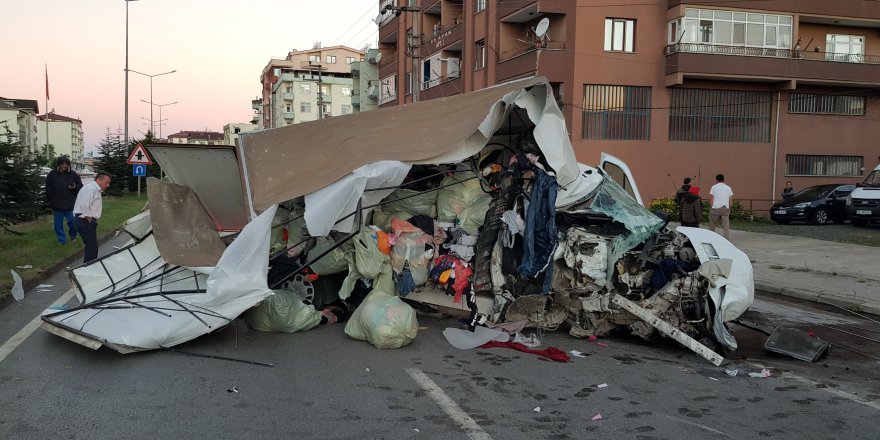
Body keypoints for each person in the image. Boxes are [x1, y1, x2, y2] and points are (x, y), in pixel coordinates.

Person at [73, 173, 111, 264]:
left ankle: (89, 266)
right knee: (92, 247)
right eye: (107, 182)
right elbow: (85, 204)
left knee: (91, 246)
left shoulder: (94, 189)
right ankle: (88, 268)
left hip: (85, 220)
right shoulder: (91, 188)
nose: (108, 185)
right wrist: (88, 217)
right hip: (84, 220)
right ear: (99, 180)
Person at [45, 157, 83, 244]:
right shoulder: (52, 175)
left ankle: (73, 236)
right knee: (58, 225)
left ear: (68, 165)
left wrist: (74, 187)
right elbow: (48, 189)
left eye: (66, 164)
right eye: (62, 164)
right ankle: (62, 240)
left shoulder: (73, 174)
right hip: (57, 205)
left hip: (71, 204)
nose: (64, 166)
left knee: (73, 222)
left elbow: (80, 187)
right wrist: (51, 200)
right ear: (59, 165)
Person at [709, 174, 733, 239]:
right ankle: (726, 238)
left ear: (716, 180)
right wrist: (729, 208)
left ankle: (710, 237)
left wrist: (711, 207)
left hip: (715, 208)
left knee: (712, 224)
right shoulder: (728, 188)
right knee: (726, 225)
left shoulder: (714, 187)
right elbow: (730, 199)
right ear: (723, 179)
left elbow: (711, 198)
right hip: (725, 208)